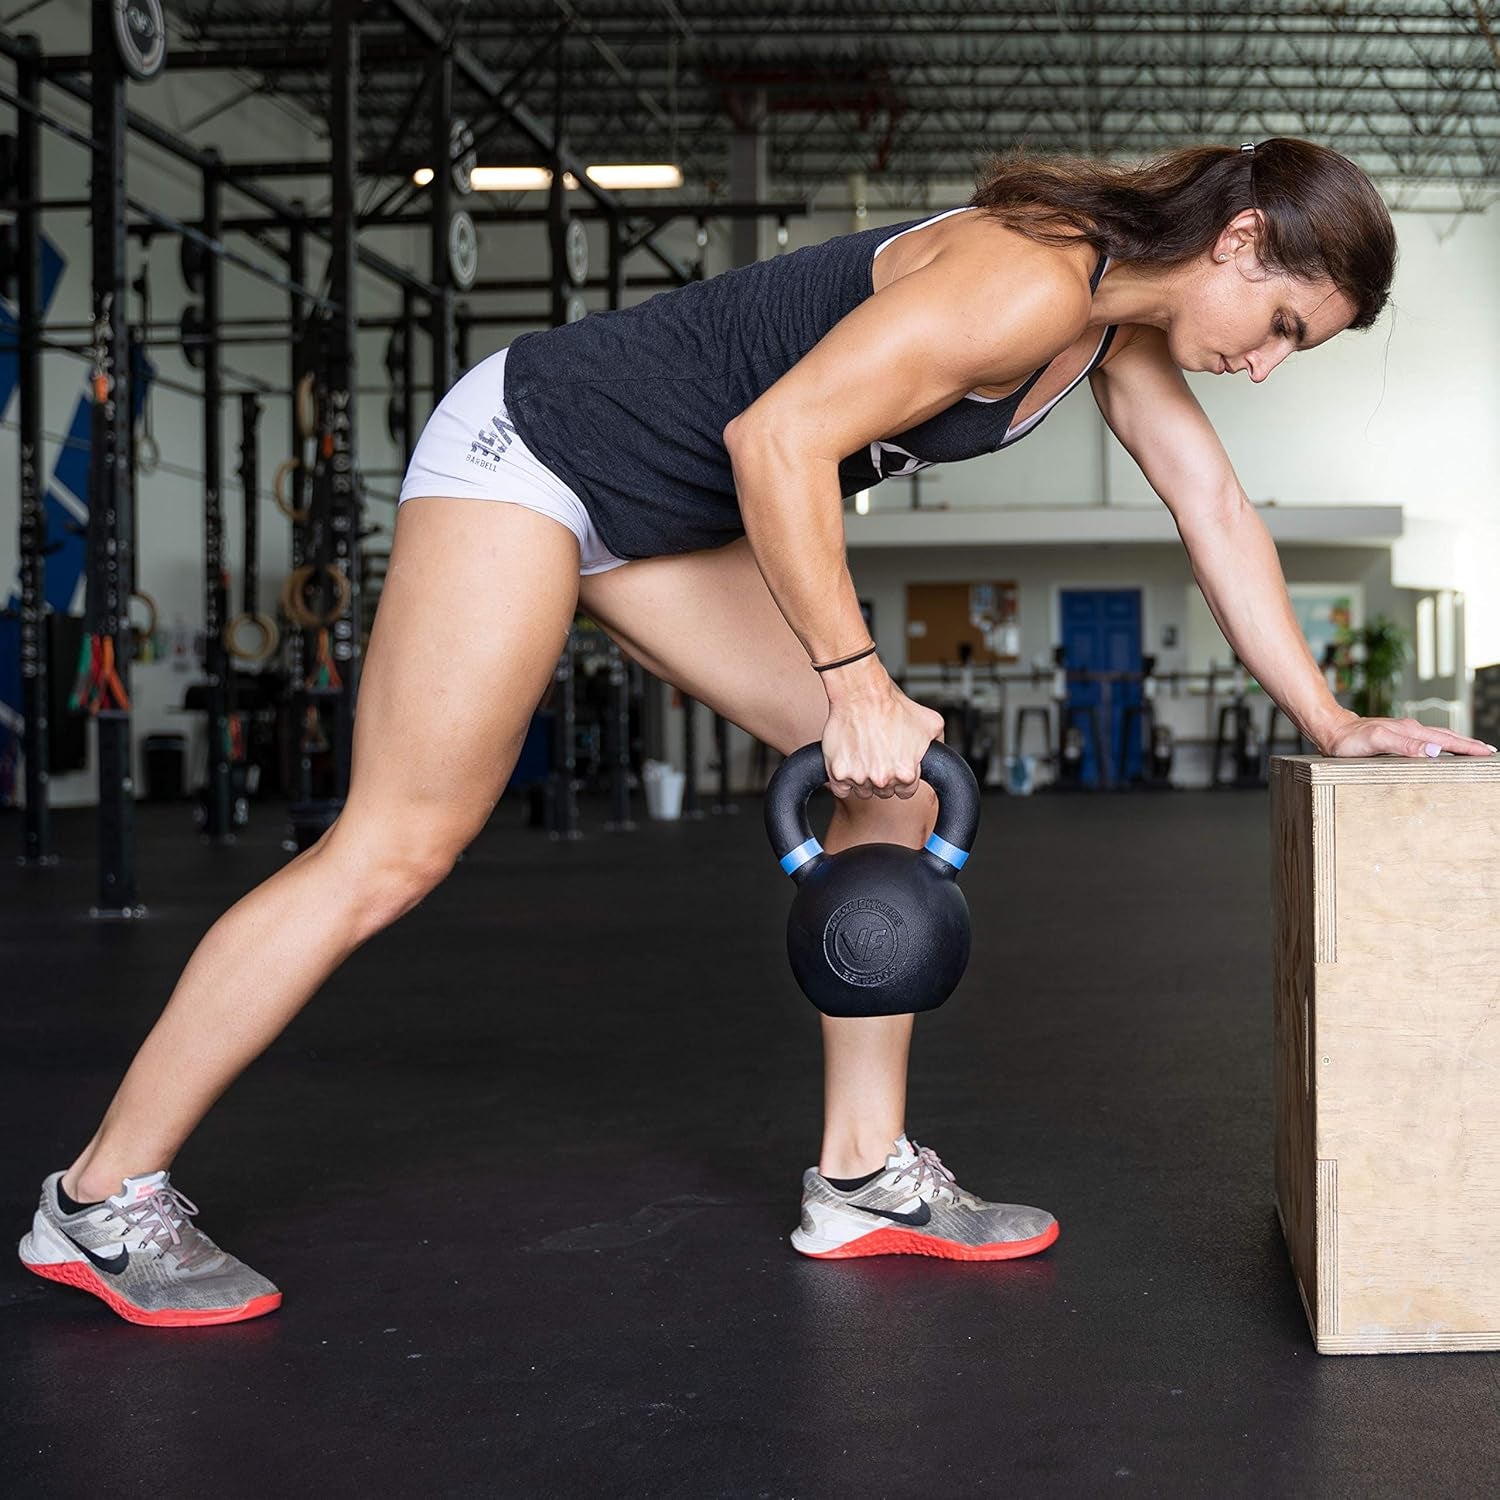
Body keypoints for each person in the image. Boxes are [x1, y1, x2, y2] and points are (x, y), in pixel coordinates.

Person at [19, 137, 1495, 1326]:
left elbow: (1214, 509)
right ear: (1239, 241)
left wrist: (1330, 713)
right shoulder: (1027, 282)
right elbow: (774, 439)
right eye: (1286, 325)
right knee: (399, 848)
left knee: (899, 788)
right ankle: (100, 1197)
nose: (1269, 361)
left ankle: (862, 1179)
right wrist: (851, 670)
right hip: (539, 452)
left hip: (659, 523)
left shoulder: (1107, 326)